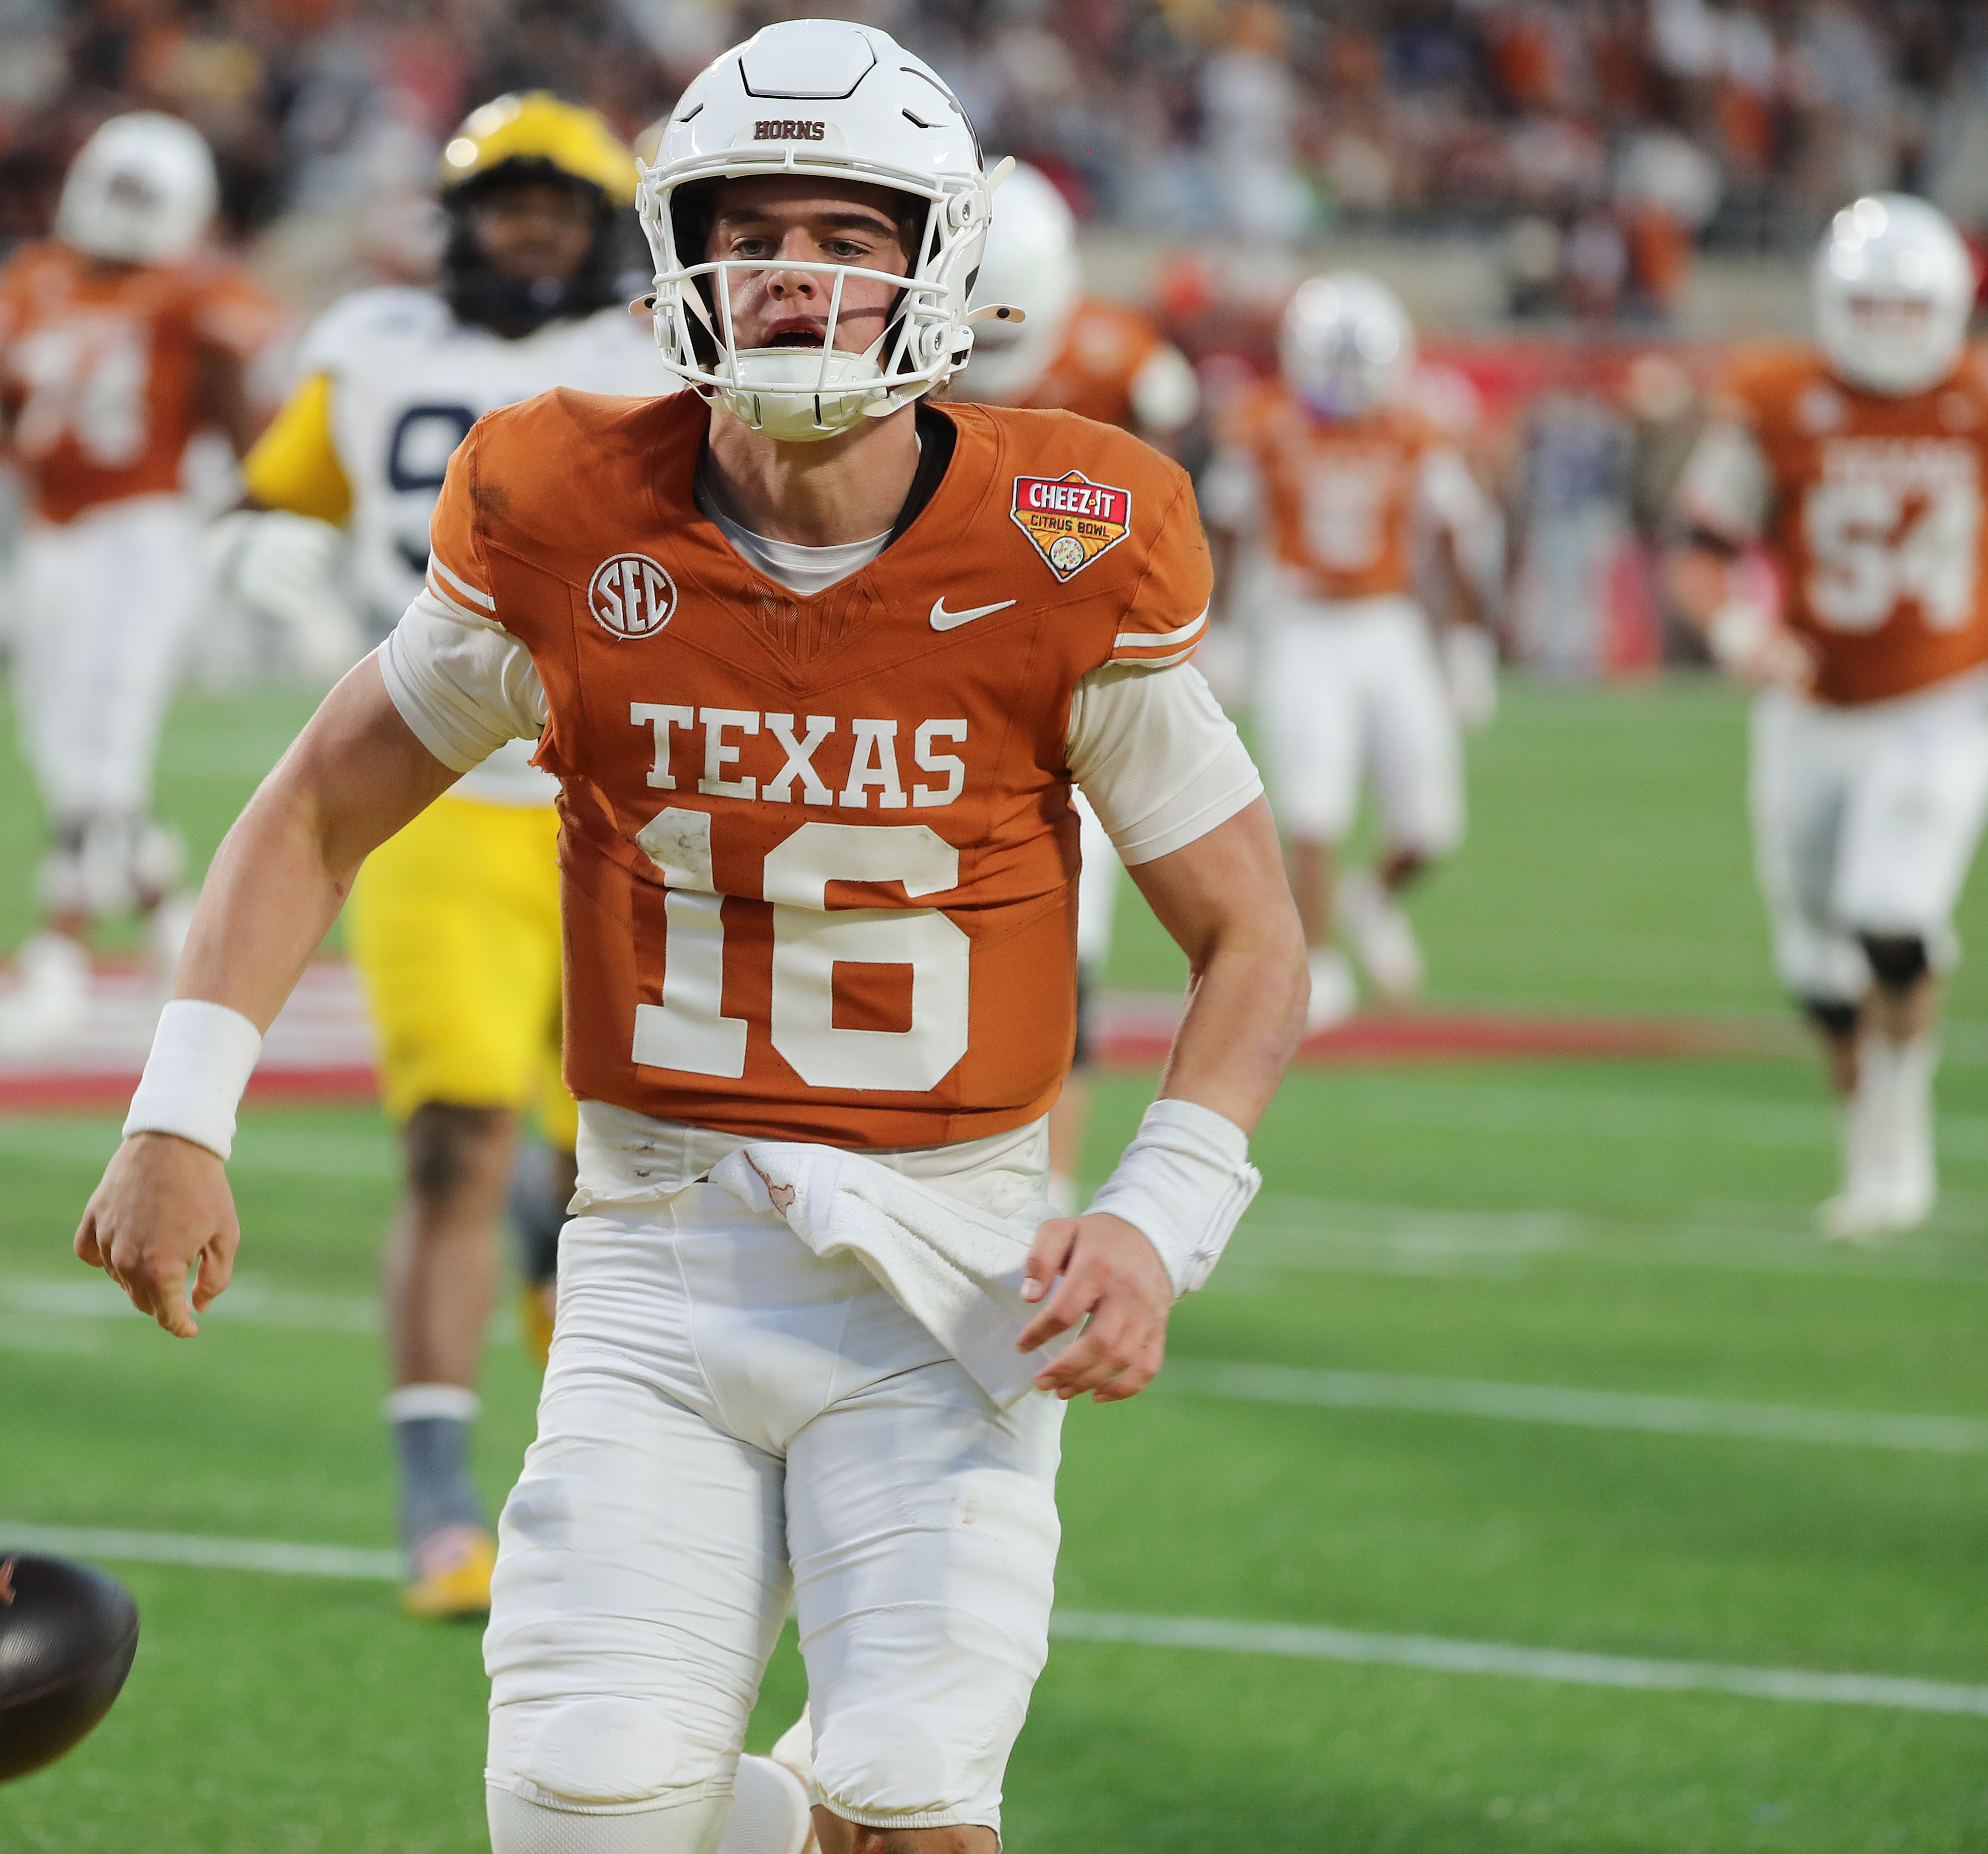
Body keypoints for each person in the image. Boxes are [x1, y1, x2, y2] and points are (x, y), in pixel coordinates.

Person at [75, 22, 1307, 1852]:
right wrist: (178, 1113)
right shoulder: (568, 510)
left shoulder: (1069, 534)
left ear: (935, 259)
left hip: (948, 1279)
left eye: (848, 230)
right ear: (680, 251)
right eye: (757, 226)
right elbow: (317, 806)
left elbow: (1251, 942)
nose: (798, 270)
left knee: (910, 1808)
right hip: (657, 1250)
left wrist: (1155, 1218)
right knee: (582, 1826)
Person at [213, 92, 667, 1620]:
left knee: (606, 1161)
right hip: (428, 797)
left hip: (625, 809)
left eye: (556, 209)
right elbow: (267, 501)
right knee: (452, 1139)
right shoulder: (374, 346)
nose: (526, 233)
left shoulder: (663, 357)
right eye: (504, 206)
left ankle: (603, 1447)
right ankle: (433, 1501)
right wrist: (259, 551)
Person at [1667, 193, 1988, 1241]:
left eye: (1911, 308)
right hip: (1810, 707)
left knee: (1891, 917)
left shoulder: (1977, 399)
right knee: (1815, 959)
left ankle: (1900, 1145)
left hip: (1943, 697)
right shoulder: (1776, 395)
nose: (1893, 329)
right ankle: (1867, 1138)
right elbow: (1703, 548)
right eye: (1874, 306)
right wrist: (1736, 633)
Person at [0, 113, 269, 1044]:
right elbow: (4, 405)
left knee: (100, 752)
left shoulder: (194, 294)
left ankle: (55, 965)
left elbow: (241, 422)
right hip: (52, 533)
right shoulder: (37, 280)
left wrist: (256, 523)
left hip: (145, 529)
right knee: (67, 753)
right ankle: (182, 937)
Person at [956, 160, 1203, 1207]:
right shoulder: (882, 347)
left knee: (1068, 947)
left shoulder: (1123, 365)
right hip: (927, 684)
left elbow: (1191, 504)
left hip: (1080, 691)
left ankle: (1044, 1197)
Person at [1199, 271, 1500, 1027]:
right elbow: (1231, 531)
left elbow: (1456, 535)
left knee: (1431, 827)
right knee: (1312, 804)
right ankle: (1321, 962)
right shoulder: (1265, 421)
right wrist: (1227, 632)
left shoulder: (1414, 426)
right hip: (1301, 625)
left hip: (1388, 624)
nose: (1342, 386)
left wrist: (1464, 642)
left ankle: (1371, 899)